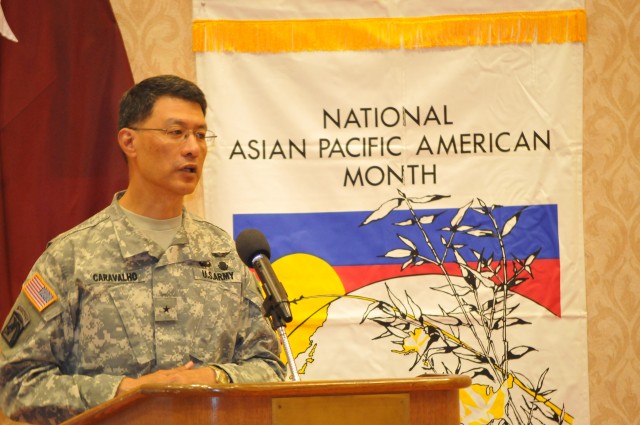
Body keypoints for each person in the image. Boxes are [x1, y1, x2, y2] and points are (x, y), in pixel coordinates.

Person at [0, 75, 286, 424]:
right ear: (129, 141)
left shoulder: (224, 254)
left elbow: (269, 367)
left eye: (199, 134)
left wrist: (209, 378)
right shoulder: (71, 257)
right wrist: (124, 391)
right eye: (176, 132)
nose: (193, 148)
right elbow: (14, 384)